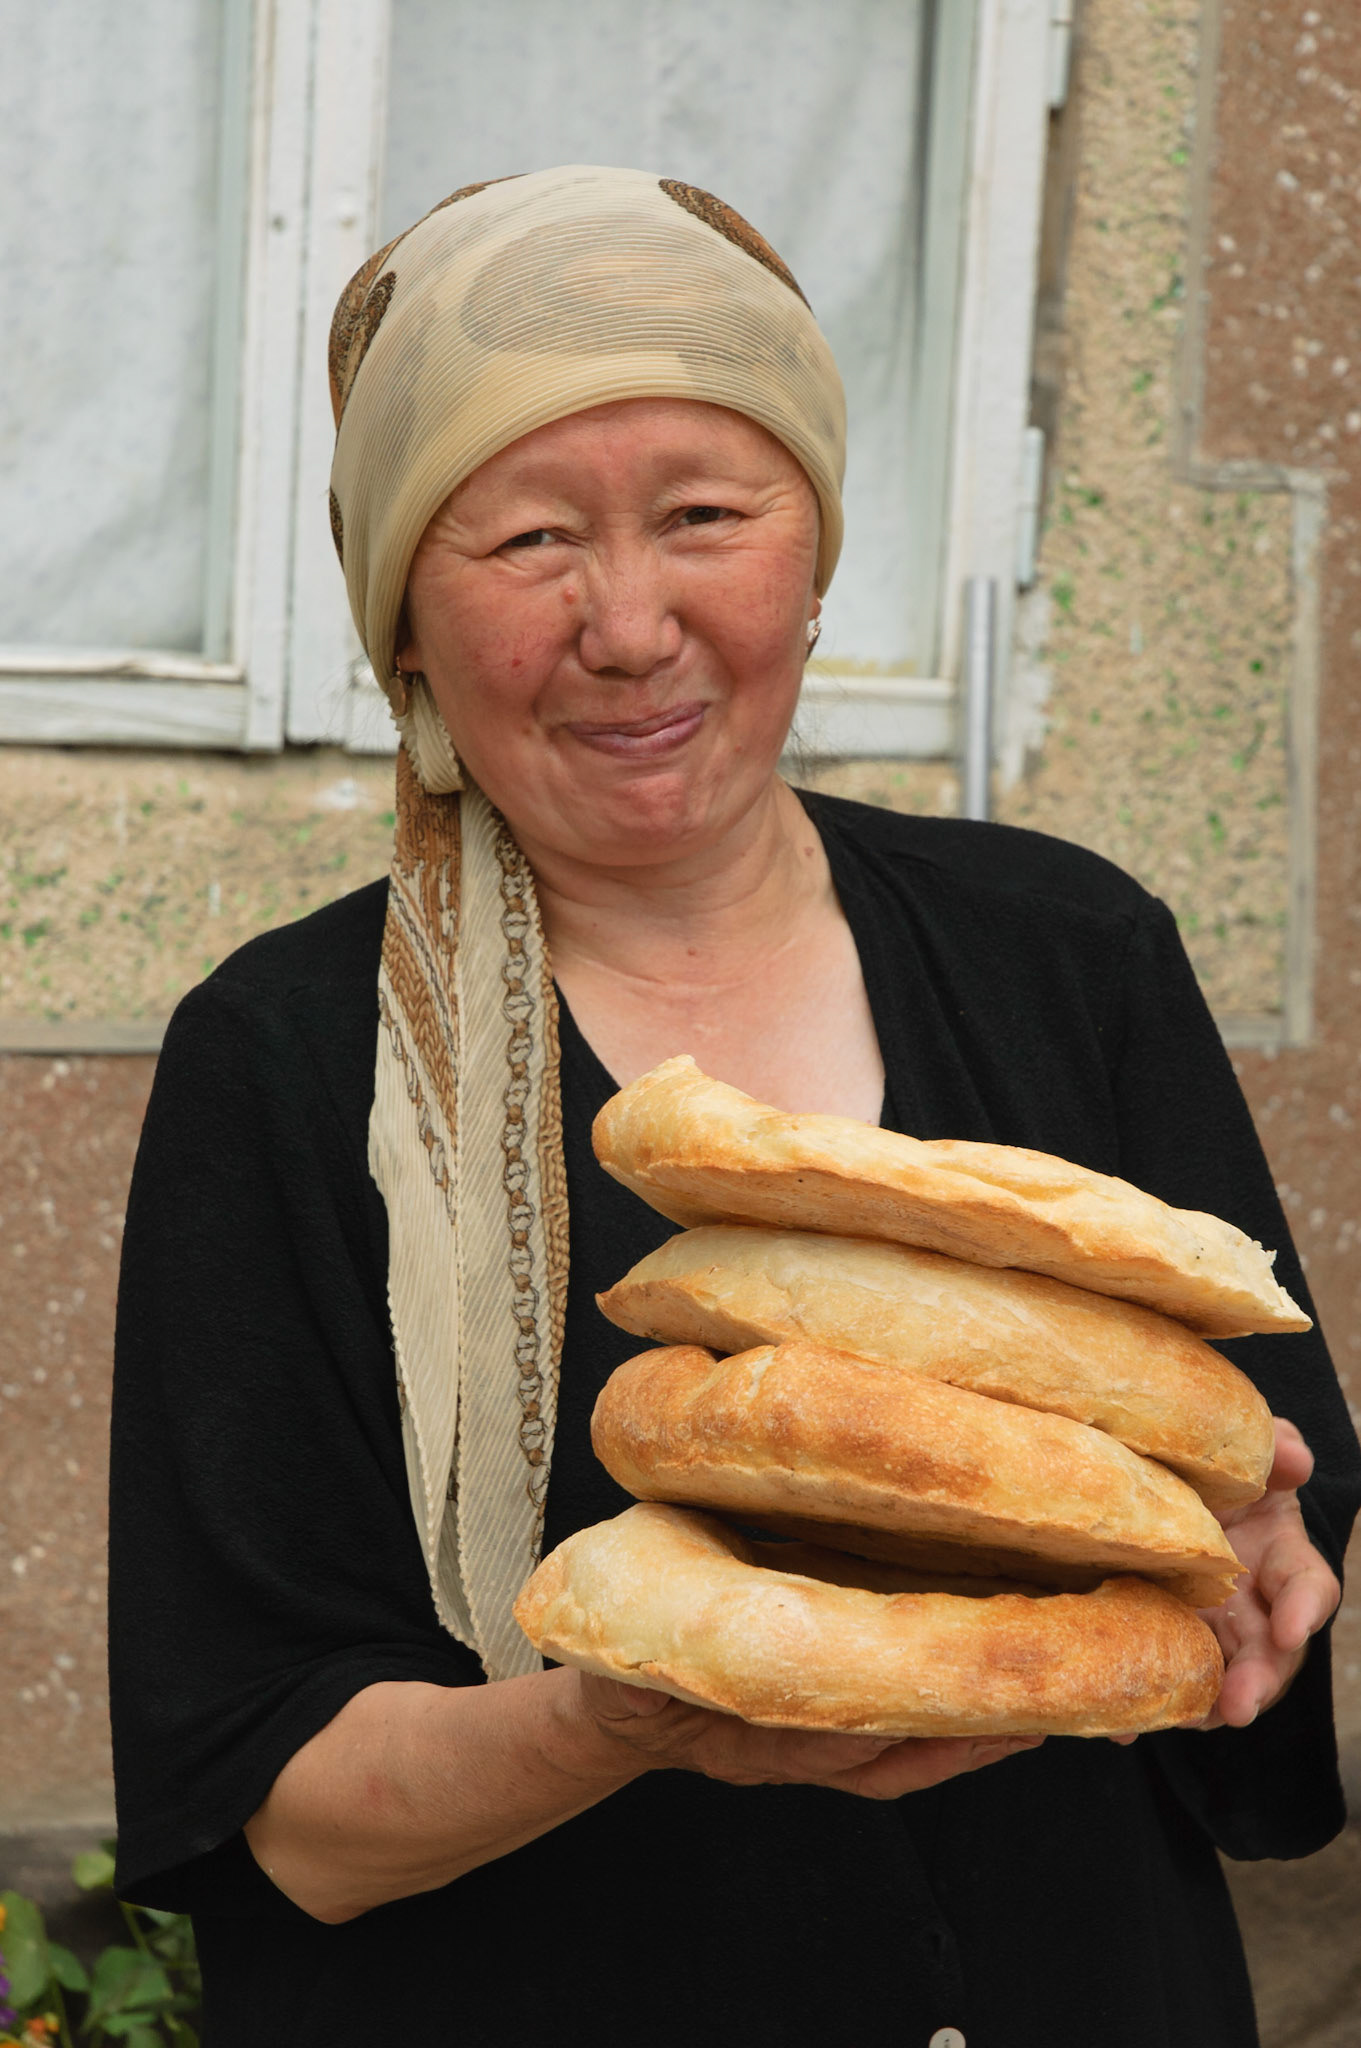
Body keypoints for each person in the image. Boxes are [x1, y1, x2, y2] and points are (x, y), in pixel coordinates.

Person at [109, 167, 1359, 2047]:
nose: (629, 626)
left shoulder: (1066, 947)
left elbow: (1259, 1467)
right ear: (405, 630)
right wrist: (615, 1717)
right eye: (528, 539)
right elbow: (277, 1801)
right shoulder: (290, 1061)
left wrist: (1251, 1554)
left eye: (704, 514)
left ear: (814, 548)